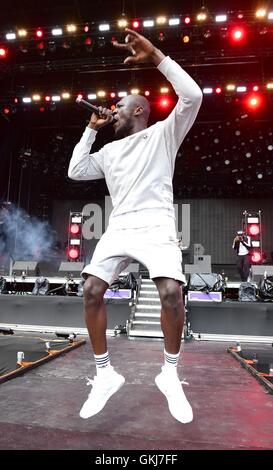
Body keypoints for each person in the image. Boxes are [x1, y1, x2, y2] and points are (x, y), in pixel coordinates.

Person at [68, 28, 202, 424]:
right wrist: (91, 129)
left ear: (140, 110)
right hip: (120, 225)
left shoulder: (163, 134)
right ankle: (105, 373)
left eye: (120, 106)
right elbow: (75, 170)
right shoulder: (108, 150)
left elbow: (193, 96)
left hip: (157, 222)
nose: (113, 110)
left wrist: (157, 56)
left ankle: (170, 373)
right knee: (91, 289)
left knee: (171, 293)